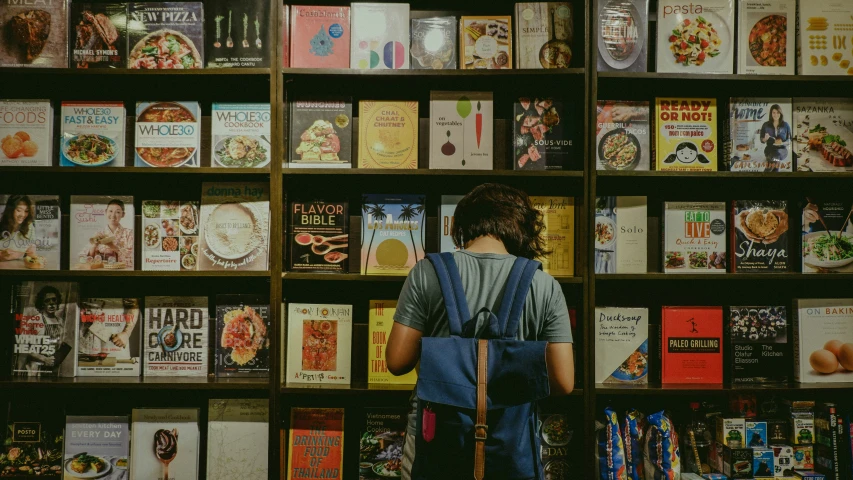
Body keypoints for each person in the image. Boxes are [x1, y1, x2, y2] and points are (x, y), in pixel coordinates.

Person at [385, 183, 575, 479]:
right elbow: (563, 382)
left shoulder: (427, 273)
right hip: (512, 448)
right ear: (521, 228)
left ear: (461, 225)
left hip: (436, 444)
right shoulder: (544, 285)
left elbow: (397, 362)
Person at [16, 285, 67, 375]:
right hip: (36, 368)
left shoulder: (60, 321)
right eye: (47, 301)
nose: (51, 303)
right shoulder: (33, 321)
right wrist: (44, 359)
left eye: (54, 300)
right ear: (42, 303)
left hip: (54, 367)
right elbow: (23, 347)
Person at [84, 198, 133, 268]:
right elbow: (88, 260)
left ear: (123, 214)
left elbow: (132, 258)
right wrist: (94, 245)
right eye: (110, 211)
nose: (113, 215)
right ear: (106, 212)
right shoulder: (99, 233)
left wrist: (112, 246)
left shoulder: (129, 233)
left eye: (118, 212)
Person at [0, 195, 37, 262]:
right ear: (10, 210)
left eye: (26, 211)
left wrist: (36, 259)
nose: (23, 215)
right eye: (19, 210)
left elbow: (31, 253)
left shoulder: (29, 226)